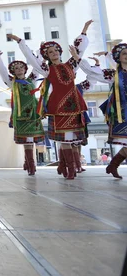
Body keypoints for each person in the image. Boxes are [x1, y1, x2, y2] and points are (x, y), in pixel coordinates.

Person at [9, 20, 92, 180]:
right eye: (50, 52)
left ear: (60, 52)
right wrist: (20, 41)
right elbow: (31, 58)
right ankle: (69, 169)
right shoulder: (47, 69)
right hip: (58, 108)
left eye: (55, 50)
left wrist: (84, 31)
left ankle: (66, 165)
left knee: (72, 138)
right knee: (65, 139)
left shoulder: (71, 65)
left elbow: (79, 50)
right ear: (46, 56)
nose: (53, 53)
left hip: (74, 106)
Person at [72, 42, 127, 178]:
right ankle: (113, 165)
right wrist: (77, 59)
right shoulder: (113, 75)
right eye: (124, 53)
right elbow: (92, 72)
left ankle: (113, 165)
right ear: (118, 57)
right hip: (123, 114)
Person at [0, 47, 45, 176]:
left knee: (30, 140)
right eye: (16, 68)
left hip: (33, 114)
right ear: (13, 71)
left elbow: (37, 67)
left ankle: (28, 162)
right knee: (27, 140)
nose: (19, 69)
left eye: (21, 67)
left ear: (25, 69)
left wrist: (41, 53)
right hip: (21, 116)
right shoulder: (12, 82)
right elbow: (2, 71)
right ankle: (31, 165)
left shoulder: (31, 79)